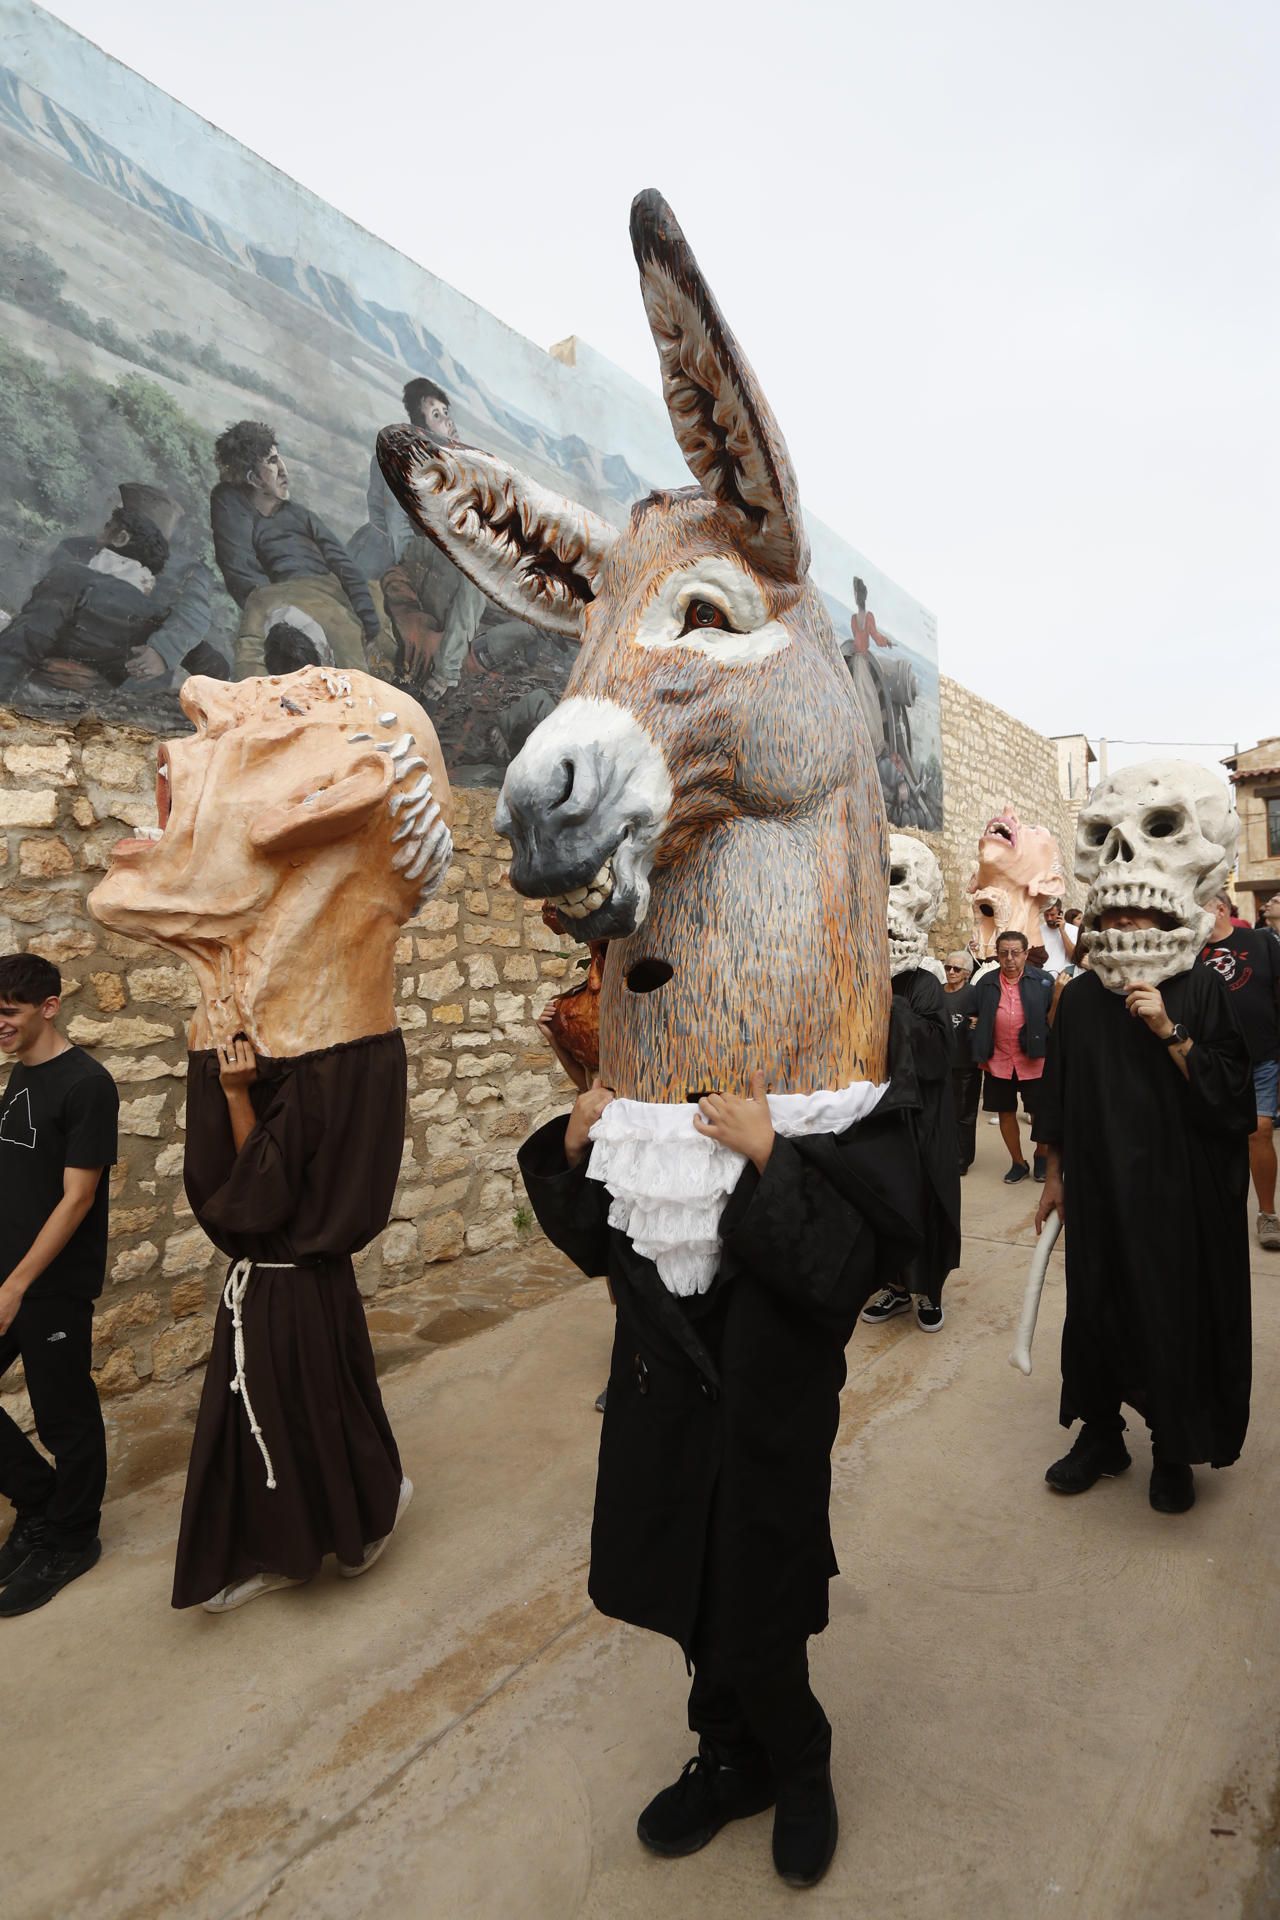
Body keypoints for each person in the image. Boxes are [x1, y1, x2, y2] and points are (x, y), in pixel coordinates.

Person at [517, 1044, 922, 1890]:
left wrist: (772, 1152)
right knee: (694, 1590)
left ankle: (800, 1763)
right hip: (663, 1402)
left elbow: (850, 1267)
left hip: (769, 1403)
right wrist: (576, 1146)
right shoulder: (645, 1119)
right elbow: (599, 1245)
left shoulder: (830, 1106)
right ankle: (729, 1759)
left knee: (761, 1592)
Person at [1034, 908, 1254, 1514]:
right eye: (1114, 911)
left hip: (1173, 1193)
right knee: (1095, 1310)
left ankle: (1172, 1450)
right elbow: (1059, 1089)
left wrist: (1168, 1029)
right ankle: (1102, 1437)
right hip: (1099, 1189)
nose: (1128, 919)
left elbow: (1232, 1093)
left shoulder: (1199, 984)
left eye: (1141, 911)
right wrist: (1054, 1177)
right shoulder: (1079, 999)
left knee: (1169, 1313)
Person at [0, 954, 118, 1616]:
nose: (0, 1024)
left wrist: (16, 1286)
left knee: (65, 1416)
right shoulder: (23, 1072)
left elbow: (76, 1199)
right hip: (7, 1275)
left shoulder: (87, 1084)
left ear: (49, 1006)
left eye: (9, 1012)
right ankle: (41, 1504)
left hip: (51, 1285)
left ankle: (73, 1540)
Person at [210, 422, 384, 677]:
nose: (283, 469)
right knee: (255, 641)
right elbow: (239, 569)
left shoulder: (300, 515)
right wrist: (282, 613)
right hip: (277, 597)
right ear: (252, 478)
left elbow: (343, 563)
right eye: (271, 461)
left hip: (325, 590)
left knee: (345, 630)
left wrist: (368, 617)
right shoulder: (230, 506)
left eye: (279, 457)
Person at [1198, 894, 1280, 1251]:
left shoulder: (1260, 942)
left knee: (1259, 1131)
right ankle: (1212, 1212)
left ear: (1219, 908)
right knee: (1211, 1138)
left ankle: (1267, 1213)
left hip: (1262, 1055)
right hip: (1212, 1060)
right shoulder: (1189, 953)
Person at [972, 931, 1053, 1182]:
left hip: (1034, 1060)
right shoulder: (985, 983)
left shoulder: (1043, 981)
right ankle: (1018, 1162)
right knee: (1005, 1111)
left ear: (1026, 954)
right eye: (1004, 953)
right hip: (998, 1060)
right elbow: (974, 1015)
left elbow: (1053, 1017)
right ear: (997, 954)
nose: (1009, 959)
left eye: (1015, 953)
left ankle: (1041, 1155)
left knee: (1041, 1112)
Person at [942, 950, 981, 1172]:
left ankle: (962, 1158)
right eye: (948, 967)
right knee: (943, 1112)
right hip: (941, 1062)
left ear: (966, 972)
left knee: (964, 1113)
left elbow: (986, 1016)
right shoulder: (938, 992)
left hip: (966, 1063)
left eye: (957, 969)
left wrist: (978, 1022)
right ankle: (944, 1152)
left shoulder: (973, 994)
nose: (951, 972)